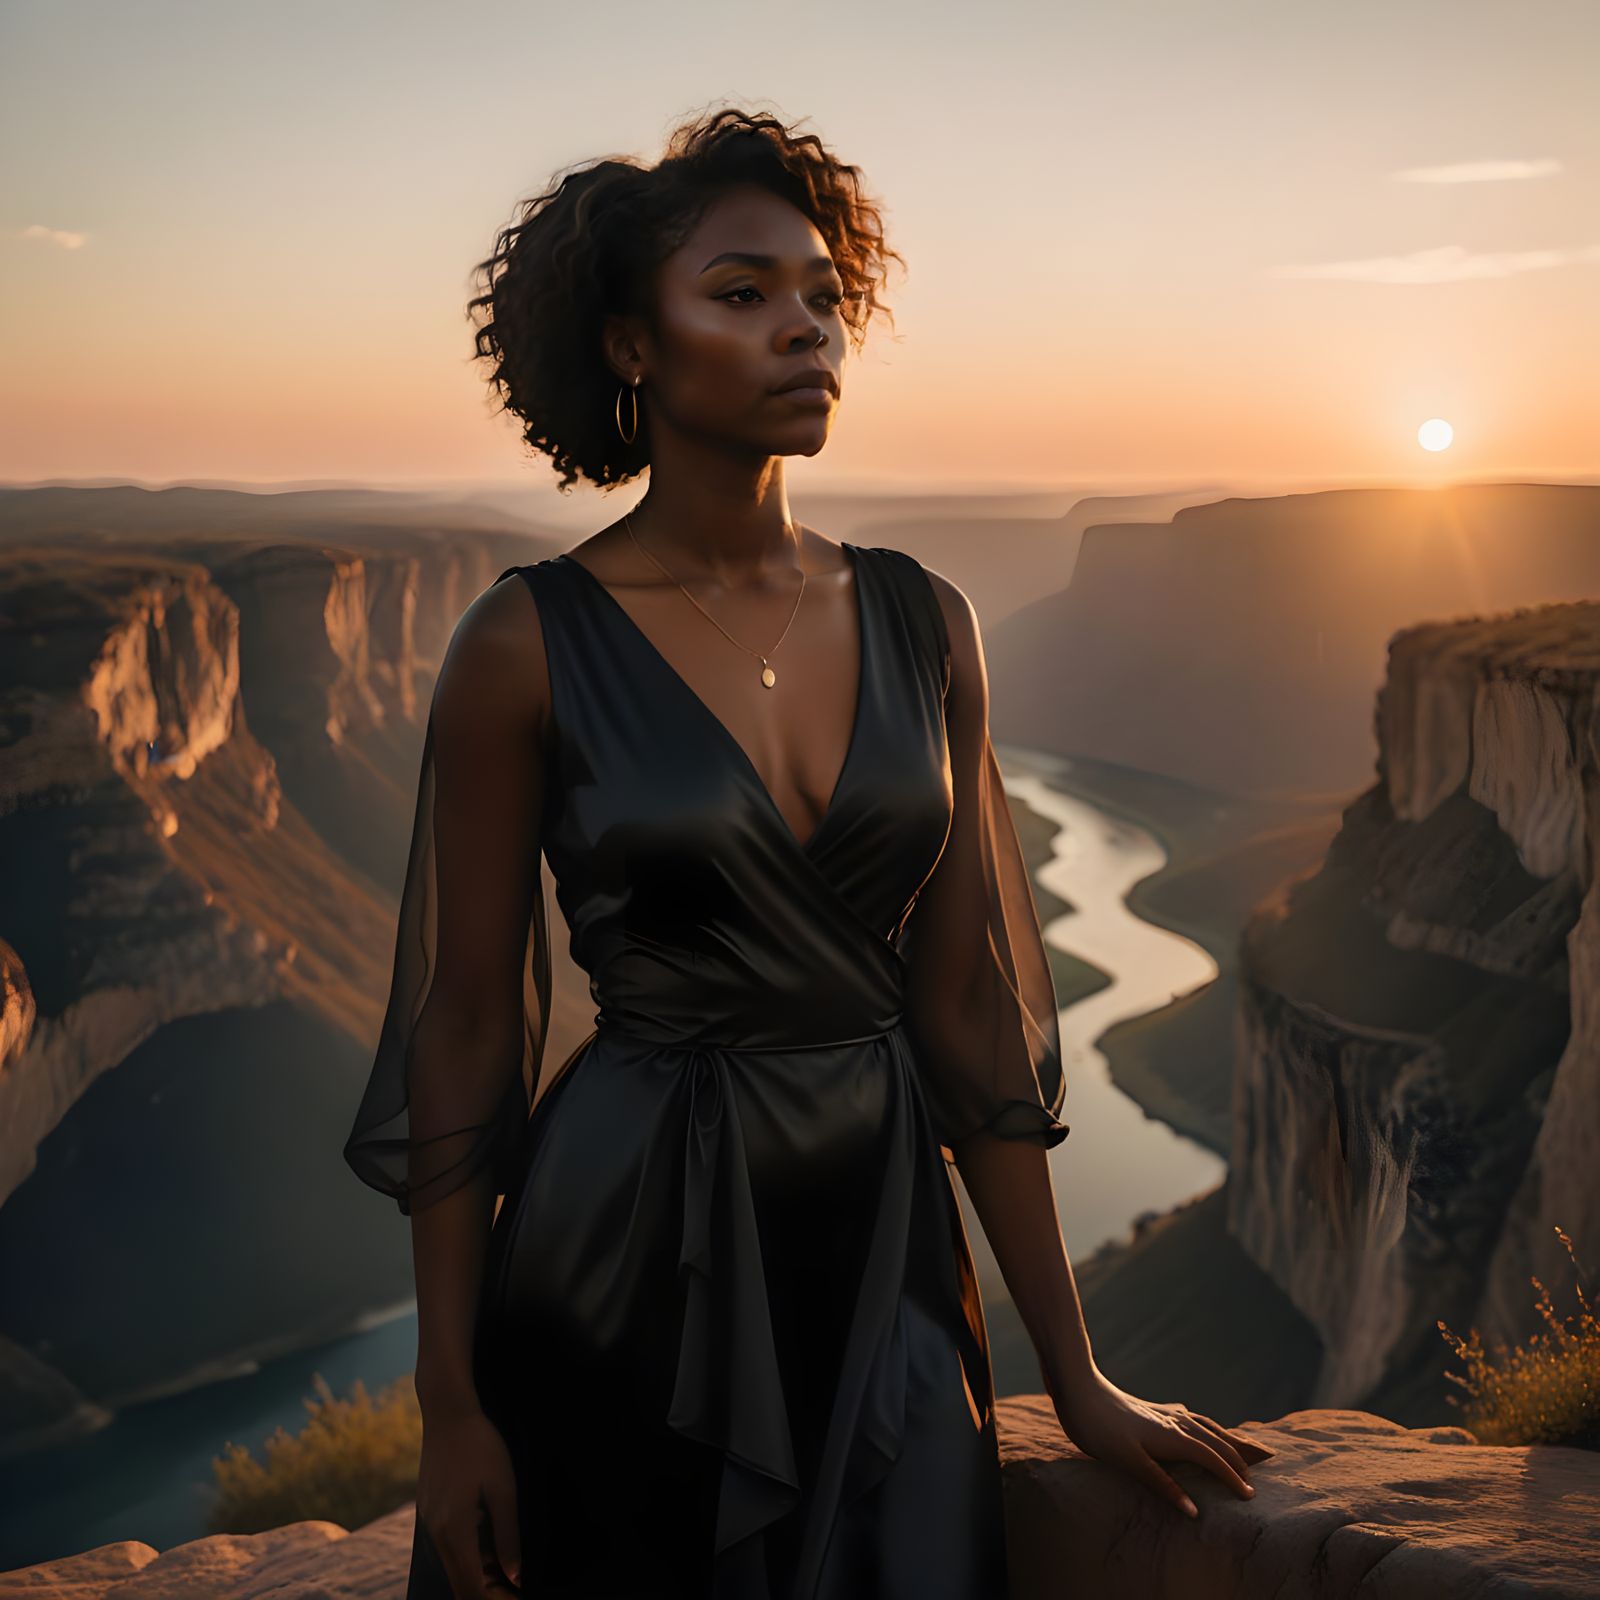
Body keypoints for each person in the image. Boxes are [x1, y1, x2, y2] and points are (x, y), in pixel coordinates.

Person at [343, 105, 1273, 1600]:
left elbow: (968, 1009)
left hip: (885, 1244)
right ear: (631, 348)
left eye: (824, 298)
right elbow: (461, 1034)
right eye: (741, 293)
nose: (806, 331)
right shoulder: (522, 642)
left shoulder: (928, 620)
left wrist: (1079, 1372)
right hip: (619, 1254)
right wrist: (450, 1412)